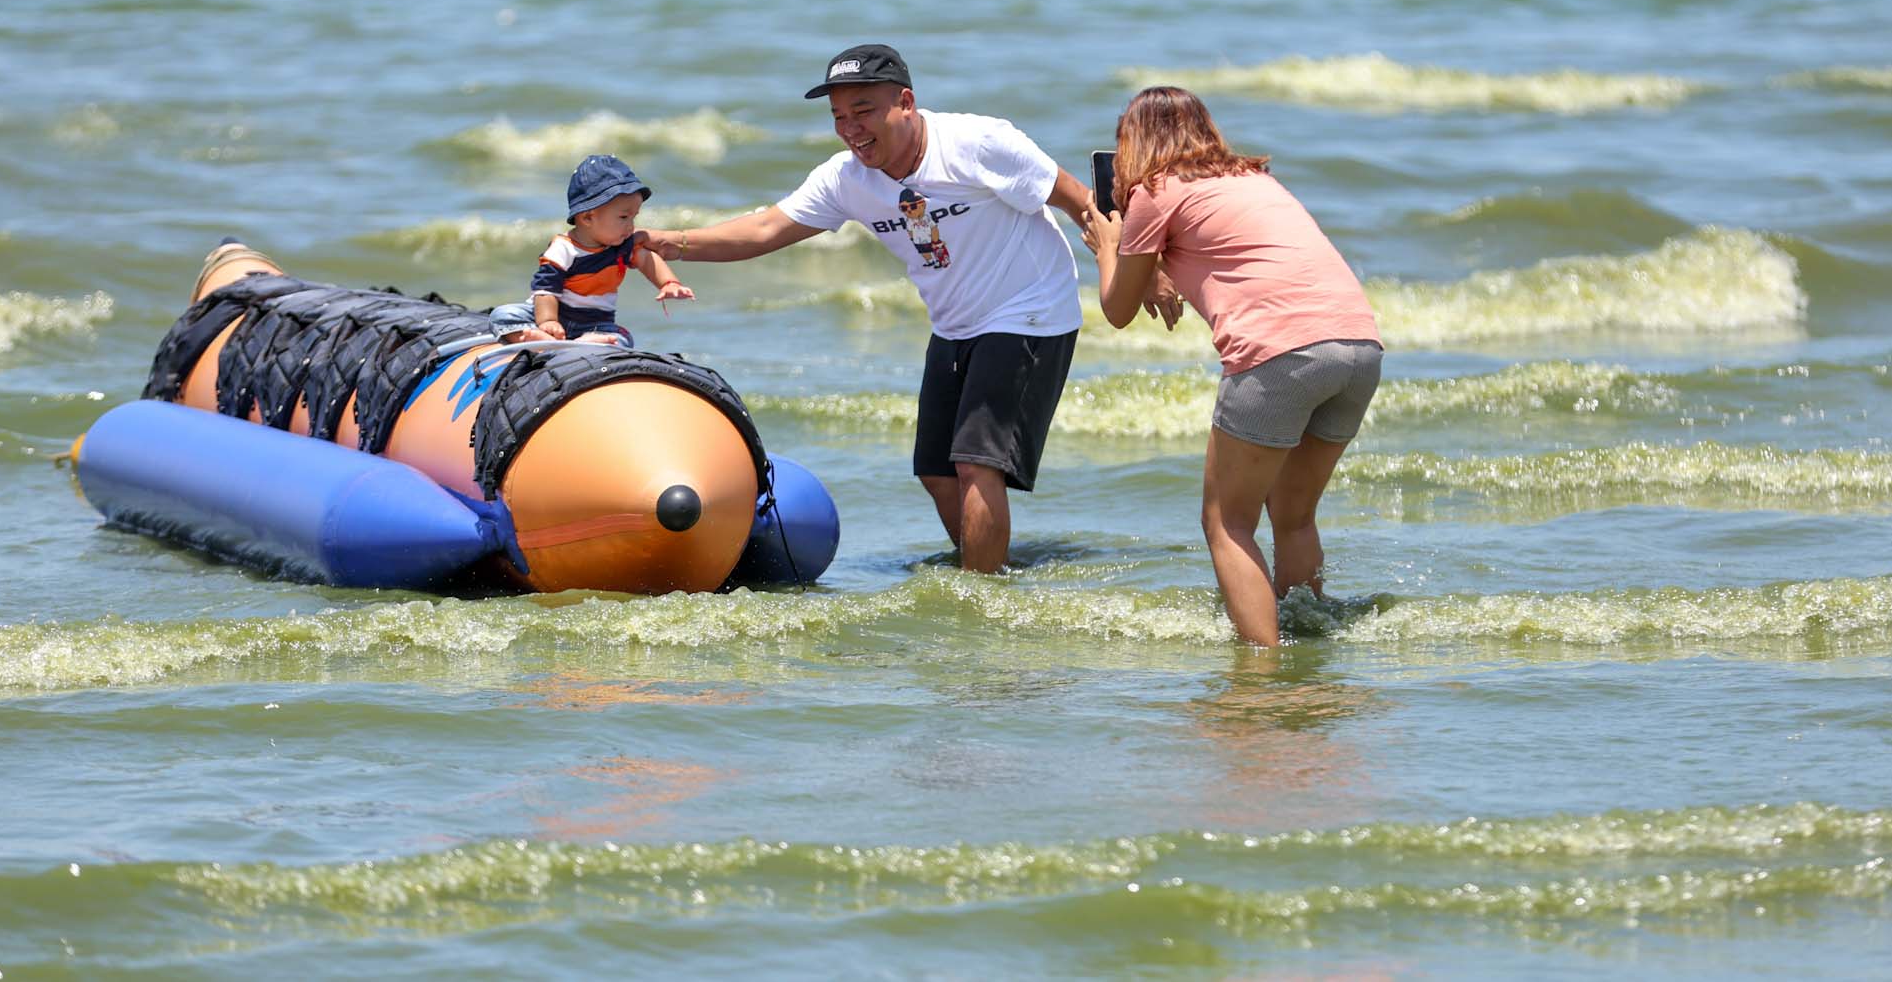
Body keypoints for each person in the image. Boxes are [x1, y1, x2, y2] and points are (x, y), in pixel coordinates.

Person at [637, 43, 1148, 572]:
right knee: (936, 471)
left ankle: (981, 595)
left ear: (905, 102)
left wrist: (1142, 274)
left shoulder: (979, 143)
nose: (851, 129)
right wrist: (677, 242)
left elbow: (1081, 201)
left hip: (1030, 309)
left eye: (864, 111)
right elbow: (766, 229)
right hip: (954, 323)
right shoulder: (846, 180)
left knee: (976, 464)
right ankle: (989, 567)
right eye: (839, 117)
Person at [1079, 86, 1382, 647]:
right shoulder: (1252, 179)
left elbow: (1118, 310)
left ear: (1135, 144)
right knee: (1293, 516)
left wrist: (1106, 244)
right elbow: (1223, 248)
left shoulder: (1153, 190)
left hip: (1279, 355)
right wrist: (1155, 265)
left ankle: (1262, 669)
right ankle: (1307, 642)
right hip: (1359, 346)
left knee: (1226, 524)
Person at [490, 154, 692, 348]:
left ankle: (573, 345)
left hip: (596, 323)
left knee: (622, 339)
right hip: (553, 314)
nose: (631, 226)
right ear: (587, 218)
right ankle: (547, 340)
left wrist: (669, 283)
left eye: (633, 217)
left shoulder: (622, 246)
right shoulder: (564, 248)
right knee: (502, 316)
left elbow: (647, 259)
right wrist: (548, 321)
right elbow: (545, 290)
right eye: (623, 217)